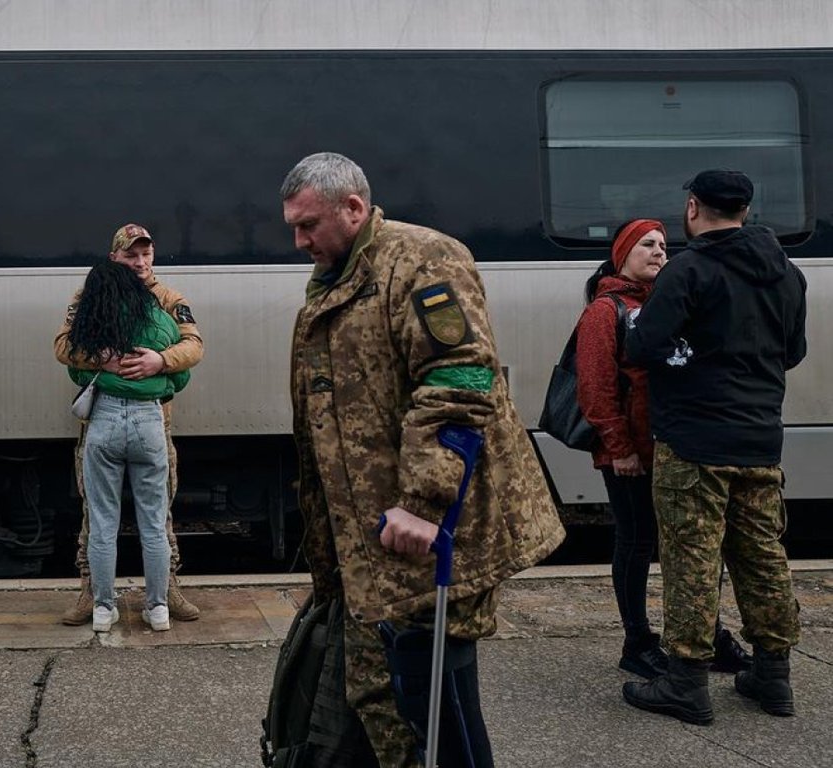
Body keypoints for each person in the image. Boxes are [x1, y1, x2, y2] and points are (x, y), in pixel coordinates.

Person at [282, 151, 565, 767]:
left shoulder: (423, 261)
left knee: (430, 709)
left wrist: (423, 503)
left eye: (309, 225)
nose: (299, 241)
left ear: (353, 208)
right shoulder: (341, 273)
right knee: (375, 693)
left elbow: (460, 380)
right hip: (371, 544)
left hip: (427, 534)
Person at [622, 170, 806, 725]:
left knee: (692, 560)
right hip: (759, 439)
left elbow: (642, 346)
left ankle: (686, 683)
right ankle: (773, 677)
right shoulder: (788, 274)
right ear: (745, 211)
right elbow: (791, 352)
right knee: (763, 556)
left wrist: (685, 352)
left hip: (693, 440)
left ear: (694, 208)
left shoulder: (688, 270)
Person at [575, 219, 752, 681]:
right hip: (631, 454)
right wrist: (619, 448)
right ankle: (637, 641)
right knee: (636, 543)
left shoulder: (671, 304)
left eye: (662, 246)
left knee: (691, 545)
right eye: (646, 245)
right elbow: (594, 390)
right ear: (622, 254)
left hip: (678, 448)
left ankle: (705, 635)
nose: (658, 252)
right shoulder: (604, 310)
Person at [54, 223, 204, 625]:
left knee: (149, 514)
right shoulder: (88, 296)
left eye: (146, 254)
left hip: (142, 421)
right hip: (138, 421)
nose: (140, 262)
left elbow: (194, 345)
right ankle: (95, 593)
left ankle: (162, 592)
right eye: (131, 255)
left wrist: (161, 361)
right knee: (107, 515)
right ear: (115, 257)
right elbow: (63, 345)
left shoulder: (170, 298)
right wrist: (99, 358)